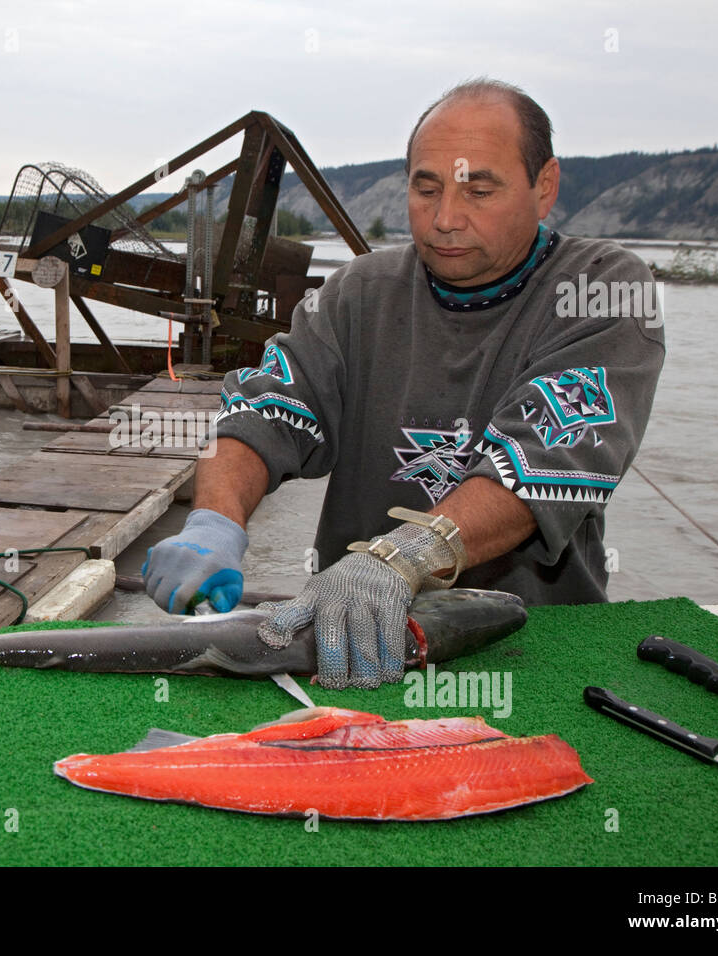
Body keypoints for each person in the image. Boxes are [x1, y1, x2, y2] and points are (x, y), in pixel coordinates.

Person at [141, 77, 666, 689]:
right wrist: (215, 522)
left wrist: (400, 558)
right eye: (427, 187)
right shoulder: (358, 292)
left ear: (544, 186)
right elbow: (265, 414)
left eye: (479, 189)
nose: (445, 219)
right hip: (346, 641)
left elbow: (540, 465)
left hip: (532, 648)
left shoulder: (601, 289)